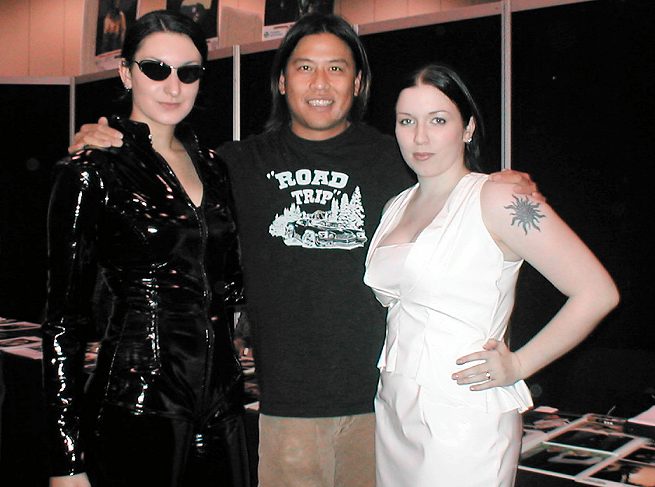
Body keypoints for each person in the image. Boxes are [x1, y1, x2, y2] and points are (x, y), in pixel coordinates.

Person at [67, 13, 541, 487]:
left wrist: (503, 183)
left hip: (384, 410)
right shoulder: (232, 165)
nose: (320, 83)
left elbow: (464, 194)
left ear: (358, 83)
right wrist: (105, 140)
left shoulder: (399, 159)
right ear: (281, 81)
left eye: (336, 68)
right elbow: (166, 167)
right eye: (304, 67)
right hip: (284, 413)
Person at [363, 63, 619, 486]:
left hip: (464, 420)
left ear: (467, 128)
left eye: (438, 120)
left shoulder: (498, 198)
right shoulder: (396, 206)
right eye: (407, 121)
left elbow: (596, 292)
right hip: (395, 411)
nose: (420, 137)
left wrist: (519, 364)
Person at [42, 10, 249, 487]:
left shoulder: (215, 167)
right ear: (125, 72)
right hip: (137, 403)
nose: (173, 87)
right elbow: (63, 322)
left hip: (223, 407)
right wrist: (67, 458)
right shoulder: (92, 170)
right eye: (156, 69)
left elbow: (229, 283)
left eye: (188, 72)